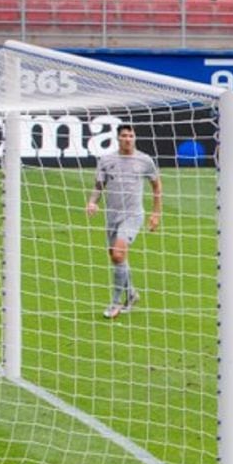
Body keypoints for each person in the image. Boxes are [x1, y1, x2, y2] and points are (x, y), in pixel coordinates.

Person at [86, 124, 161, 319]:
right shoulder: (106, 160)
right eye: (124, 136)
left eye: (131, 135)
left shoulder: (144, 160)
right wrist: (92, 202)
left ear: (134, 138)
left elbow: (156, 185)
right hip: (112, 216)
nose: (128, 139)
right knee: (117, 258)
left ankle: (116, 302)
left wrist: (155, 214)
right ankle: (132, 294)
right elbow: (99, 184)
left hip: (133, 215)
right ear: (118, 138)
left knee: (118, 255)